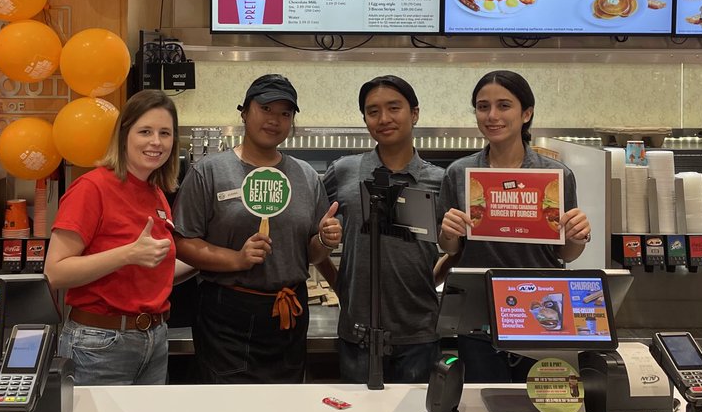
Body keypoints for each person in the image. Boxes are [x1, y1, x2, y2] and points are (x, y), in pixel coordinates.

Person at [173, 74, 341, 383]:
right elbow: (183, 243)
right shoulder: (210, 172)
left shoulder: (306, 176)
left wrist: (325, 240)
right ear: (244, 112)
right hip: (227, 314)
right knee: (230, 411)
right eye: (266, 108)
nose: (275, 120)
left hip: (288, 311)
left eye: (285, 113)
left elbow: (311, 253)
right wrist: (236, 259)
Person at [438, 70, 592, 382]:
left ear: (526, 113)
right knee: (480, 408)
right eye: (483, 107)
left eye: (503, 106)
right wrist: (449, 232)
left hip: (544, 313)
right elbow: (450, 248)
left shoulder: (556, 176)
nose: (492, 116)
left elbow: (566, 253)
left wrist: (577, 236)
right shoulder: (459, 173)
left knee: (544, 408)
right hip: (479, 314)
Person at [45, 89, 183, 385]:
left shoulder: (155, 192)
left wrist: (225, 257)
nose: (156, 142)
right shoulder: (92, 188)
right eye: (145, 131)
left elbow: (154, 265)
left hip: (154, 340)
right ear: (123, 135)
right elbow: (55, 272)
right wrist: (129, 253)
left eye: (165, 133)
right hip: (99, 344)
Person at [324, 75, 446, 384]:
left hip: (419, 332)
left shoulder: (441, 181)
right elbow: (312, 236)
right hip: (357, 332)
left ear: (414, 113)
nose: (384, 119)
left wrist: (432, 277)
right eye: (373, 111)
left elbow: (459, 248)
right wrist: (340, 283)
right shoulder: (344, 171)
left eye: (394, 108)